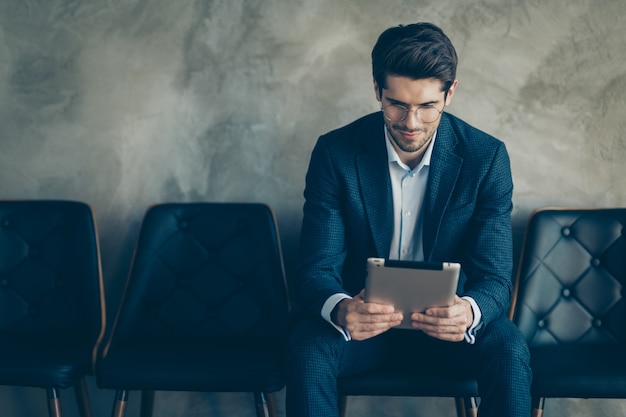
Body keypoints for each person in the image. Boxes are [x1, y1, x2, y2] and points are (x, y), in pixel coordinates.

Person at [285, 22, 532, 416]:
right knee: (308, 347)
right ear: (377, 91)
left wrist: (470, 311)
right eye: (396, 103)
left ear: (450, 94)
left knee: (508, 346)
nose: (410, 122)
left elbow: (496, 278)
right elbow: (315, 269)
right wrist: (340, 308)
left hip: (449, 331)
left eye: (427, 106)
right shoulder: (335, 153)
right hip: (362, 330)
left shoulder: (487, 159)